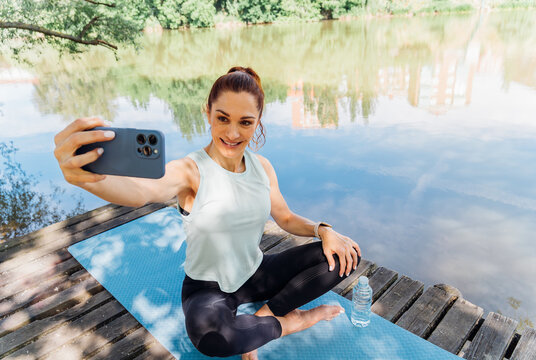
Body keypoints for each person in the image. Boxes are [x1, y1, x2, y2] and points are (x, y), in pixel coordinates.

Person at [53, 66, 361, 360]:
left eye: (245, 122)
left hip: (257, 273)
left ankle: (265, 317)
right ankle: (291, 322)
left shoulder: (262, 167)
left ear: (257, 122)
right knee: (213, 337)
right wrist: (91, 178)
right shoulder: (189, 171)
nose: (232, 133)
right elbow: (141, 192)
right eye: (223, 118)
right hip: (207, 288)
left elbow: (286, 218)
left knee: (345, 256)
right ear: (208, 113)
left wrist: (325, 231)